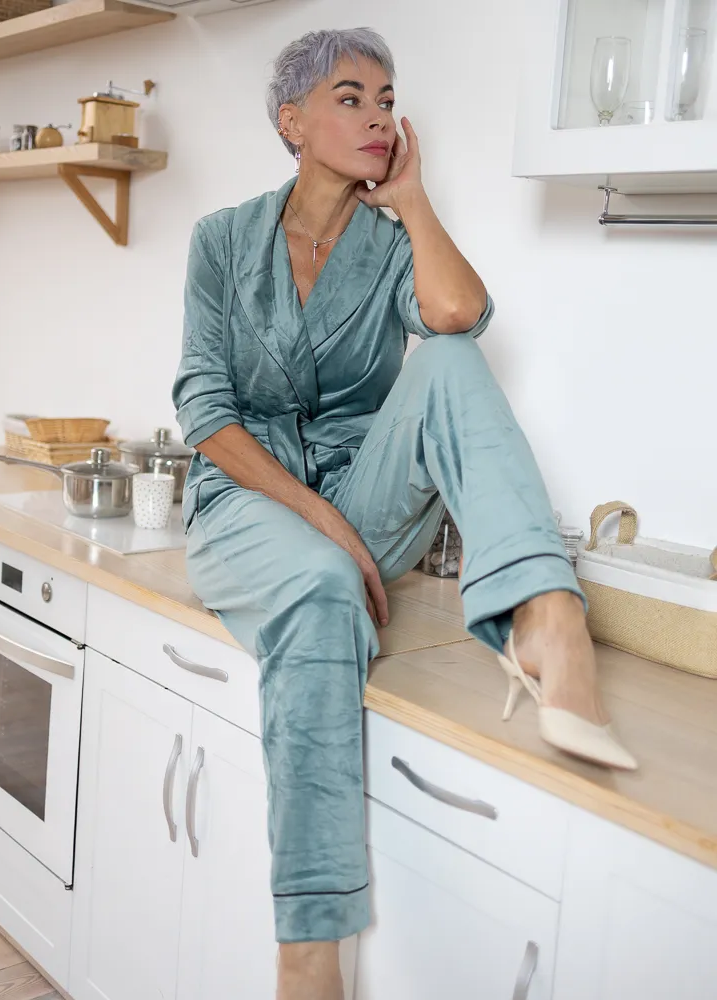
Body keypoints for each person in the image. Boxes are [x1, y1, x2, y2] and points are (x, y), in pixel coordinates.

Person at [171, 27, 637, 1000]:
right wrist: (322, 523)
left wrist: (415, 202)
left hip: (364, 501)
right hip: (250, 507)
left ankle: (547, 616)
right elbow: (205, 413)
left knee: (450, 361)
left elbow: (460, 317)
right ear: (292, 121)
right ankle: (310, 954)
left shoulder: (390, 247)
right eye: (350, 98)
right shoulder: (221, 239)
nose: (378, 117)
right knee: (317, 582)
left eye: (387, 100)